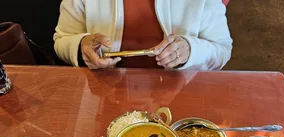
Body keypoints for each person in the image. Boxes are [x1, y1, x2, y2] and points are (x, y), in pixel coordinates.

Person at [54, 0, 232, 71]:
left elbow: (222, 50)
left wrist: (190, 50)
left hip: (181, 93)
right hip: (100, 95)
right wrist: (81, 47)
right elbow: (62, 40)